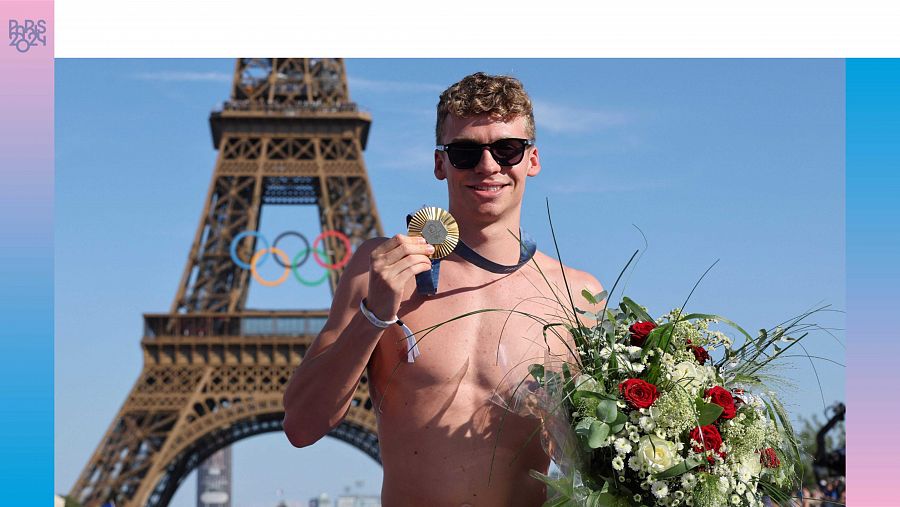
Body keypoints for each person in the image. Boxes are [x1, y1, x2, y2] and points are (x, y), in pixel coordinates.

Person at [283, 72, 604, 506]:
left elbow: (597, 459)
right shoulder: (378, 269)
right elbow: (302, 426)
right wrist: (375, 315)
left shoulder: (577, 295)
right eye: (465, 152)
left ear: (532, 159)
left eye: (506, 149)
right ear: (440, 163)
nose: (488, 166)